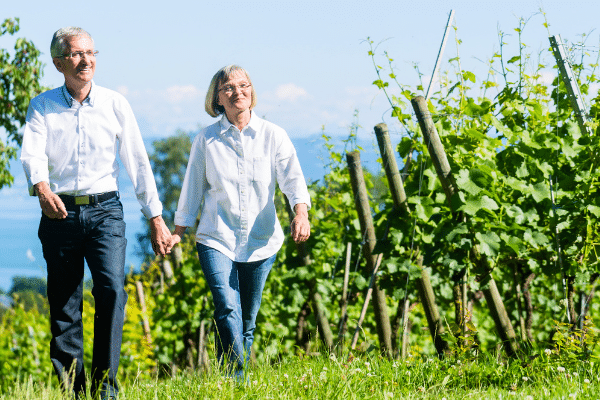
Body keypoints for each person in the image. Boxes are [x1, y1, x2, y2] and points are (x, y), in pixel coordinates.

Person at [20, 27, 171, 399]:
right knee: (65, 303)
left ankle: (106, 389)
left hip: (106, 211)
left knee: (112, 291)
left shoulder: (116, 104)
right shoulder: (42, 106)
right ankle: (73, 392)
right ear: (59, 63)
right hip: (60, 213)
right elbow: (31, 154)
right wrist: (41, 187)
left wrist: (155, 217)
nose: (86, 60)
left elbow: (137, 161)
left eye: (91, 52)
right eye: (75, 54)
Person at [170, 65, 311, 378]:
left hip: (261, 240)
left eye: (243, 85)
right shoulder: (206, 140)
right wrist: (179, 230)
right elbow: (192, 188)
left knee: (246, 321)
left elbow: (293, 179)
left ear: (252, 91)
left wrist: (300, 212)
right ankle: (238, 381)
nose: (237, 92)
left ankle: (229, 383)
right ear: (217, 98)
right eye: (229, 88)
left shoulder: (274, 136)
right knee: (227, 308)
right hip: (216, 236)